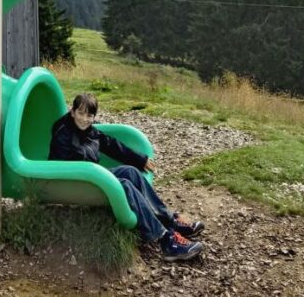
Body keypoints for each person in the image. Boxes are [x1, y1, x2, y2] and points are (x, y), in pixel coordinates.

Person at [49, 92, 204, 262]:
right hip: (76, 184)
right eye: (81, 113)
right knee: (124, 185)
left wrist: (140, 159)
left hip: (93, 177)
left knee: (130, 172)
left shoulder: (89, 131)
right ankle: (167, 241)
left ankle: (169, 220)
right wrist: (93, 176)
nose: (85, 119)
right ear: (72, 112)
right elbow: (62, 168)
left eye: (90, 115)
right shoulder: (63, 133)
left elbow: (112, 145)